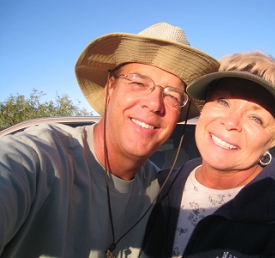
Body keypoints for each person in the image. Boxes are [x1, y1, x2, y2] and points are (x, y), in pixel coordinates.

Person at [0, 22, 219, 258]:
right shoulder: (40, 158)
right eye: (138, 82)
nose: (154, 104)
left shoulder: (161, 191)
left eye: (172, 95)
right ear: (110, 88)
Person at [141, 52, 275, 258]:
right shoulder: (160, 186)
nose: (231, 122)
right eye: (223, 102)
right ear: (204, 107)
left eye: (255, 118)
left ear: (272, 140)